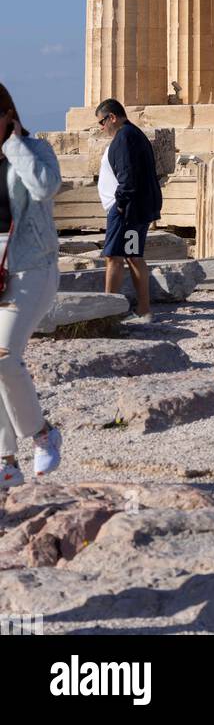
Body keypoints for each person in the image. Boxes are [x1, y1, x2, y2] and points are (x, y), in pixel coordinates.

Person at [0, 85, 64, 488]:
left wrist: (13, 144)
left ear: (8, 114)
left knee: (3, 358)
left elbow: (43, 187)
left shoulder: (36, 150)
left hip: (32, 269)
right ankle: (7, 462)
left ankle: (43, 433)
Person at [96, 99, 162, 322]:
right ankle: (143, 310)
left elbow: (127, 176)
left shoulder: (124, 137)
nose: (101, 128)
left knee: (114, 257)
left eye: (102, 122)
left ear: (112, 117)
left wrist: (121, 205)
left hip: (126, 212)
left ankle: (107, 313)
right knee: (133, 256)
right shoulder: (134, 133)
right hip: (134, 210)